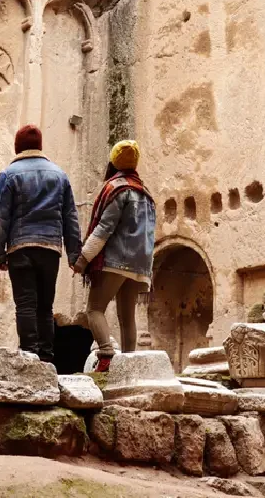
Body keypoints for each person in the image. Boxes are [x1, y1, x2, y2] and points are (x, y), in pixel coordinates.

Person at [0, 125, 81, 363]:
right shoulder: (59, 175)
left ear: (17, 146)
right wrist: (74, 254)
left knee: (26, 305)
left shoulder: (8, 175)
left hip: (20, 249)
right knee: (45, 307)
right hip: (50, 249)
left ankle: (30, 358)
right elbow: (70, 217)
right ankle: (48, 360)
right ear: (39, 145)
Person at [73, 140, 156, 373]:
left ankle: (106, 355)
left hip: (115, 260)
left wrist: (83, 259)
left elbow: (104, 228)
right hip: (140, 264)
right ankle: (129, 366)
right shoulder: (145, 192)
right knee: (127, 317)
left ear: (113, 160)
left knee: (94, 309)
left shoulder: (116, 188)